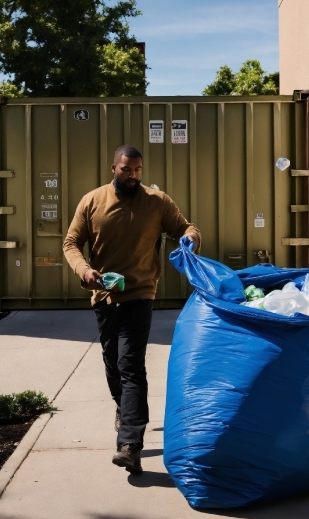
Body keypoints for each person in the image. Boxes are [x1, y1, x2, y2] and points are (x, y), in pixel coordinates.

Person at [63, 144, 201, 474]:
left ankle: (130, 445)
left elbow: (184, 227)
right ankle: (123, 411)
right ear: (114, 168)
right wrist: (85, 271)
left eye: (138, 169)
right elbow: (71, 243)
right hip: (104, 297)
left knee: (130, 365)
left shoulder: (156, 201)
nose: (133, 175)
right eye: (127, 169)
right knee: (112, 363)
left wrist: (192, 238)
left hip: (140, 294)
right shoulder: (92, 201)